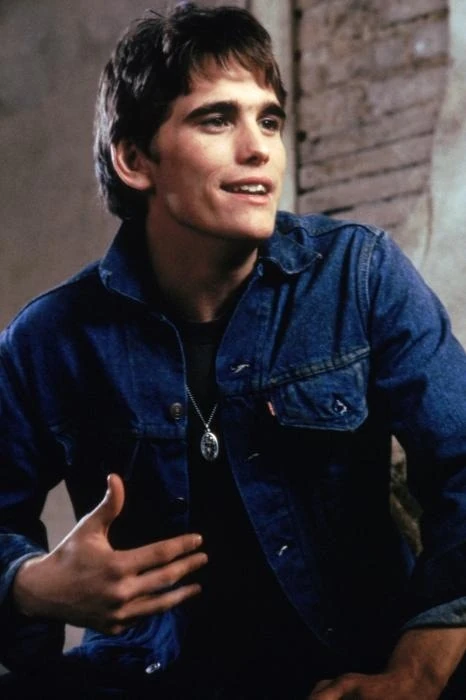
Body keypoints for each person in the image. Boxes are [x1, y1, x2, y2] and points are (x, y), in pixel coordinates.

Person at [0, 3, 466, 698]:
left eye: (269, 120)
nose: (259, 149)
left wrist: (418, 670)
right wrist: (31, 585)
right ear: (135, 159)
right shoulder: (50, 339)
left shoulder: (359, 274)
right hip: (149, 678)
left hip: (353, 664)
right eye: (217, 119)